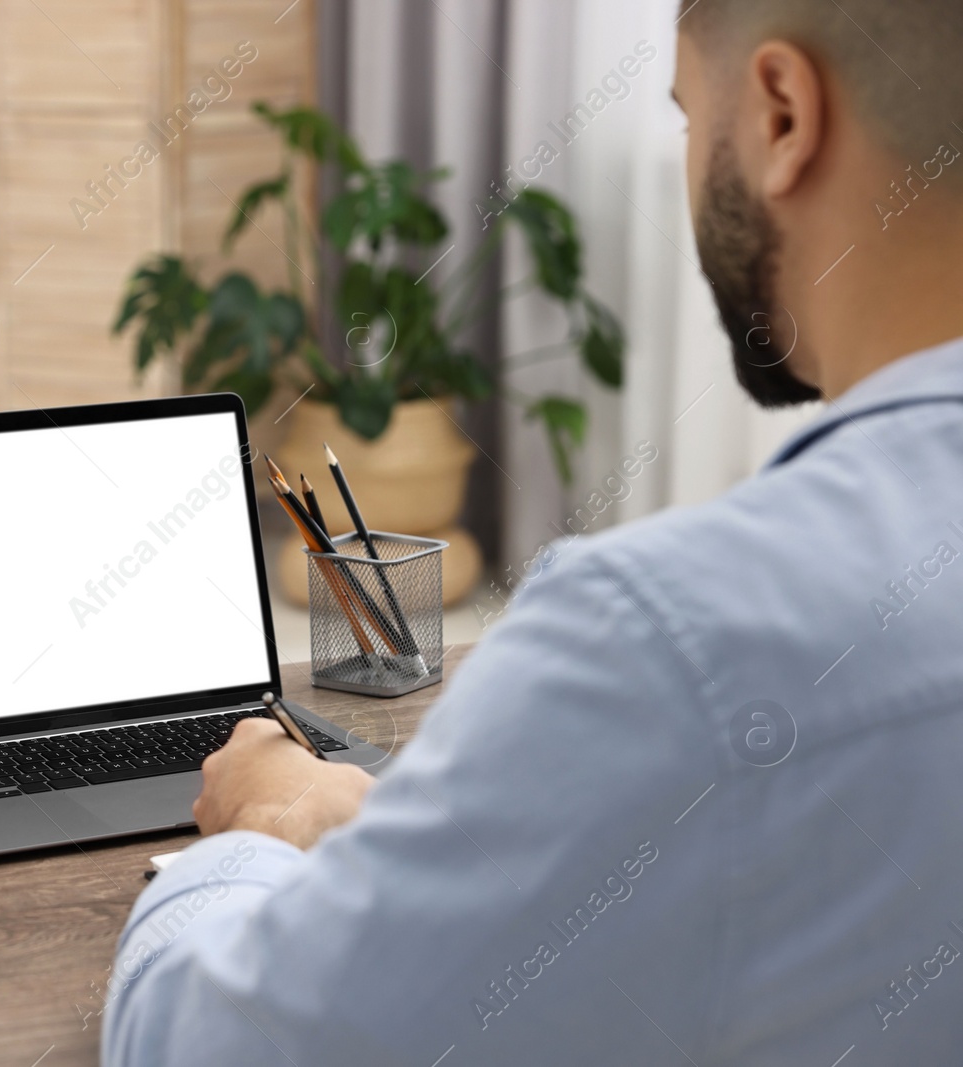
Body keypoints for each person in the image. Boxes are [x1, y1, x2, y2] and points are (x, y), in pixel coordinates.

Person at [103, 1, 963, 1062]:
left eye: (692, 117)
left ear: (783, 114)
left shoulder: (667, 636)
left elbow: (209, 1045)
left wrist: (258, 833)